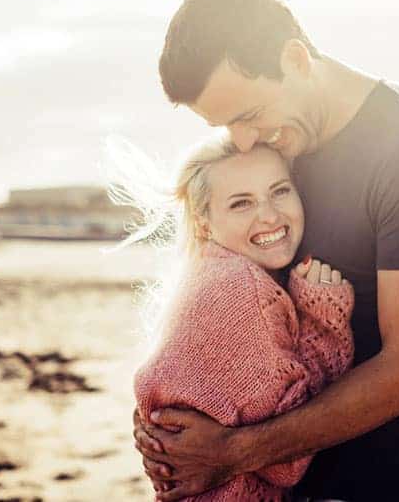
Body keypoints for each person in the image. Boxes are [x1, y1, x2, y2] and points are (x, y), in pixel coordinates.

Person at [133, 0, 399, 502]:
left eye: (247, 115)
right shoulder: (279, 140)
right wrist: (162, 424)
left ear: (295, 60)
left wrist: (231, 452)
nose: (243, 141)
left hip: (383, 486)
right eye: (226, 125)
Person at [126, 138, 356, 500]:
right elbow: (287, 462)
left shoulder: (205, 274)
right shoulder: (243, 290)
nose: (268, 215)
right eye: (241, 203)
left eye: (279, 191)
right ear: (203, 223)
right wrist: (323, 319)